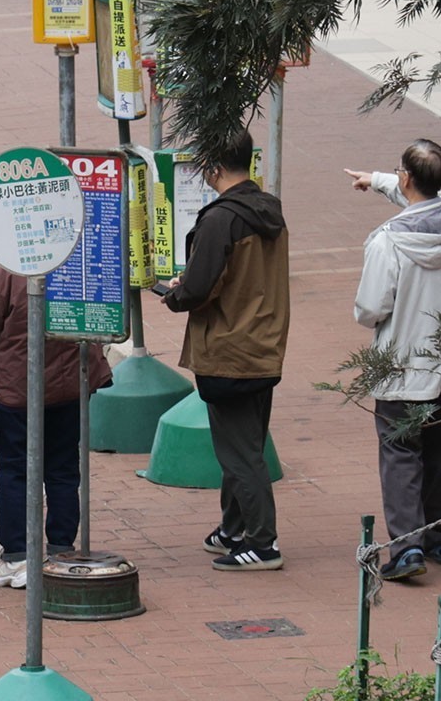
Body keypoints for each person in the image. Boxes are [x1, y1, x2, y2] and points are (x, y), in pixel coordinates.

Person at [344, 139, 441, 581]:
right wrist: (378, 180)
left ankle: (406, 549)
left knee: (401, 453)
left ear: (406, 178)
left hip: (402, 364)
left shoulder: (389, 241)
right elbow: (423, 201)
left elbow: (370, 308)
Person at [159, 130, 290, 571]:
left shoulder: (221, 220)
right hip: (263, 342)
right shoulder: (268, 210)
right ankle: (232, 529)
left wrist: (175, 293)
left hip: (229, 347)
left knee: (238, 452)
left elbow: (199, 288)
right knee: (246, 441)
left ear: (214, 168)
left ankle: (261, 542)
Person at [0, 260, 112, 589]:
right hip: (73, 384)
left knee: (15, 471)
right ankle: (61, 550)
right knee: (62, 469)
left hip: (19, 386)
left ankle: (18, 556)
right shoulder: (82, 258)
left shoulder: (11, 262)